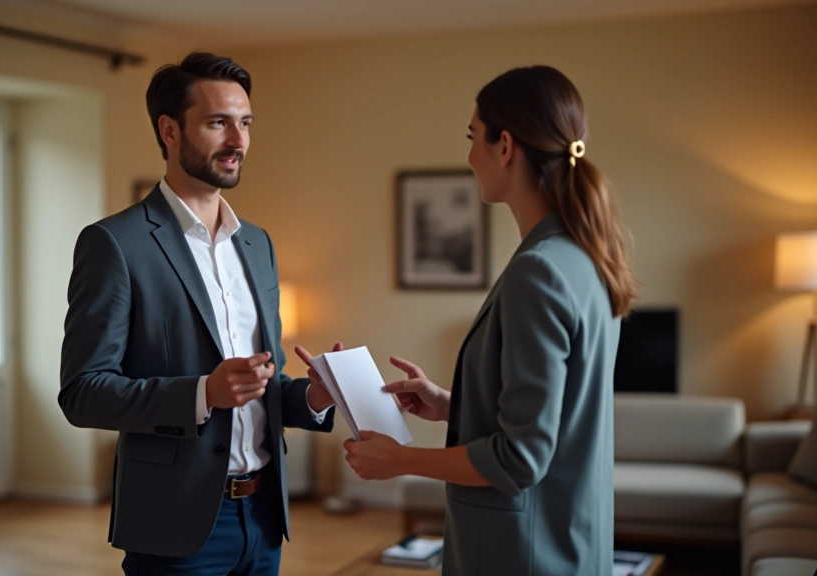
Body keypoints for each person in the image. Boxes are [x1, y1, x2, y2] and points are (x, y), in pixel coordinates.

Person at [325, 65, 638, 575]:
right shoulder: (585, 258)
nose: (470, 155)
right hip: (570, 540)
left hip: (523, 552)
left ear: (506, 146)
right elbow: (552, 419)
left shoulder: (538, 271)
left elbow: (520, 458)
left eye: (473, 137)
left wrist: (400, 461)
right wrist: (452, 405)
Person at [58, 51, 338, 576]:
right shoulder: (114, 244)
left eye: (245, 123)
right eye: (218, 123)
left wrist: (313, 396)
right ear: (169, 130)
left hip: (263, 517)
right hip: (174, 524)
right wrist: (201, 393)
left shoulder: (257, 245)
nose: (238, 141)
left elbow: (261, 387)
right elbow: (82, 393)